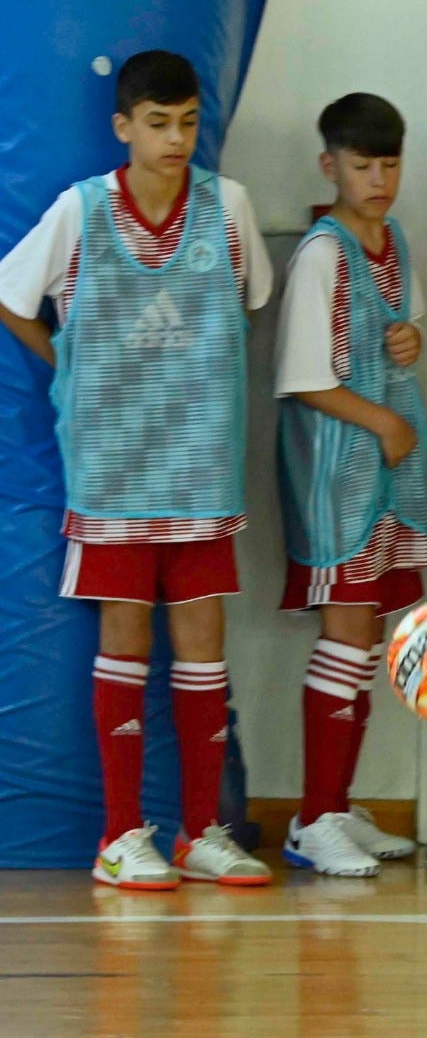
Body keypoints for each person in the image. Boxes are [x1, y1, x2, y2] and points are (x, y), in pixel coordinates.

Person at [0, 51, 272, 889]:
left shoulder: (227, 209)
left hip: (200, 467)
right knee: (124, 640)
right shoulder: (81, 211)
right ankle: (121, 834)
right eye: (158, 123)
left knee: (202, 649)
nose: (177, 138)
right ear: (124, 127)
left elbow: (254, 297)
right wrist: (69, 363)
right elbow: (13, 295)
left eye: (189, 121)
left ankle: (200, 832)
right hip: (116, 467)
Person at [275, 93, 427, 876]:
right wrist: (384, 422)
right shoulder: (322, 255)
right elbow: (305, 380)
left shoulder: (395, 240)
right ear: (329, 164)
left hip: (383, 478)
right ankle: (311, 818)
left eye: (389, 164)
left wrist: (412, 336)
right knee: (344, 635)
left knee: (364, 638)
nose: (377, 179)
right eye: (362, 164)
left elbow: (403, 331)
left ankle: (336, 805)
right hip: (338, 477)